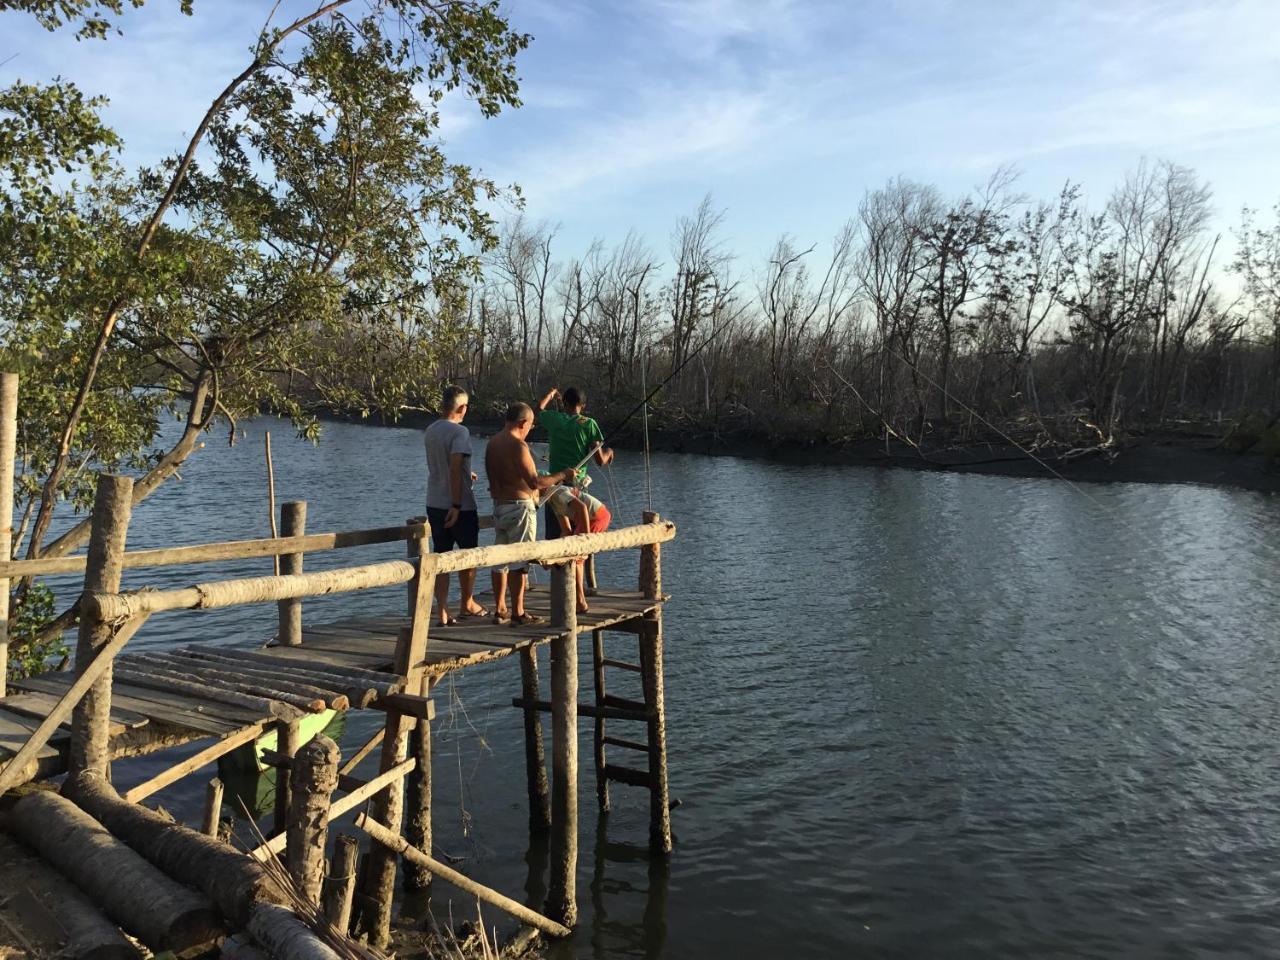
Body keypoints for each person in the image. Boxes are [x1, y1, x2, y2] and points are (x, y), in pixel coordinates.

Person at [485, 402, 575, 625]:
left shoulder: (492, 443)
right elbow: (534, 482)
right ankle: (518, 612)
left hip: (499, 507)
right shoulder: (518, 445)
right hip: (519, 509)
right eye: (531, 426)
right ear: (523, 422)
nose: (530, 430)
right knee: (520, 561)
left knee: (500, 560)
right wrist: (561, 475)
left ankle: (499, 608)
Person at [423, 384, 486, 626]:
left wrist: (466, 474)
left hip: (434, 501)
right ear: (462, 408)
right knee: (469, 556)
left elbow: (445, 464)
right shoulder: (460, 432)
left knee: (441, 557)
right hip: (458, 506)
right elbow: (454, 463)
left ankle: (442, 611)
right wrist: (457, 504)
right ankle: (467, 603)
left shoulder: (431, 430)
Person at [534, 386, 614, 541]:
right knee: (577, 537)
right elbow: (600, 460)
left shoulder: (555, 419)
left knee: (555, 538)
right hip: (577, 489)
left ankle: (556, 565)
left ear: (564, 403)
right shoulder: (588, 424)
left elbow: (537, 411)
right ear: (583, 405)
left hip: (554, 486)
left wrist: (550, 394)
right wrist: (609, 452)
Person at [545, 483, 611, 613]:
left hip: (596, 517)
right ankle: (577, 599)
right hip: (589, 518)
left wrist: (584, 539)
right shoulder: (551, 502)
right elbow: (566, 530)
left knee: (577, 559)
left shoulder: (558, 493)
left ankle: (580, 601)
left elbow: (582, 508)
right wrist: (554, 552)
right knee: (572, 555)